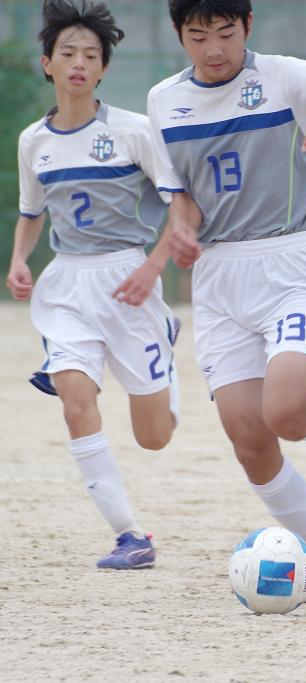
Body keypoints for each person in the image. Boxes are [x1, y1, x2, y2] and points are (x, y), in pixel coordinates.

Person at [150, 0, 306, 602]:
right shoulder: (163, 101)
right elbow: (179, 195)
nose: (213, 49)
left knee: (285, 415)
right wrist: (180, 228)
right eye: (198, 35)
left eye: (225, 33)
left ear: (248, 28)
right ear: (180, 35)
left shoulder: (286, 77)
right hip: (215, 278)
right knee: (248, 437)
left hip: (286, 264)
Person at [6, 0, 185, 570]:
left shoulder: (135, 131)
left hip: (128, 279)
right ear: (47, 64)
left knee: (154, 437)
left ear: (104, 69)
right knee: (75, 402)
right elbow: (32, 210)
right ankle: (130, 536)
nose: (79, 62)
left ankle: (165, 335)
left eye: (91, 54)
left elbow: (181, 207)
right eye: (68, 53)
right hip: (67, 287)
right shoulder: (34, 141)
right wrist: (19, 260)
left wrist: (154, 265)